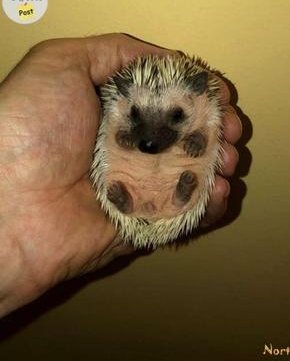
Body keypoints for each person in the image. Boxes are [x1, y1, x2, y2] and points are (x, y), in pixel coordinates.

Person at [0, 33, 242, 317]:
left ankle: (174, 200)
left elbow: (209, 130)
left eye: (175, 117)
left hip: (168, 174)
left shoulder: (205, 105)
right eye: (137, 116)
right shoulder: (120, 104)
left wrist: (199, 137)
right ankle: (154, 200)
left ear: (199, 92)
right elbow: (112, 131)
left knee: (196, 152)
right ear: (125, 95)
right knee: (126, 148)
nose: (151, 138)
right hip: (134, 174)